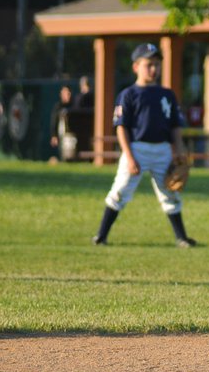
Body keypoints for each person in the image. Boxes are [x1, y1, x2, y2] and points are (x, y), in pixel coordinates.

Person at [91, 43, 197, 248]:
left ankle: (181, 237)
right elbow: (121, 128)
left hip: (163, 149)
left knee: (170, 192)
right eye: (149, 64)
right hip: (136, 148)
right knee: (121, 190)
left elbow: (175, 125)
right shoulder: (128, 94)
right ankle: (101, 235)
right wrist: (129, 157)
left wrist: (179, 149)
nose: (154, 69)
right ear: (136, 67)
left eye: (156, 64)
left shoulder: (167, 94)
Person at [49, 85, 74, 158]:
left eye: (68, 93)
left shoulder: (74, 105)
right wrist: (54, 135)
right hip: (62, 135)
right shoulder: (58, 107)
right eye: (65, 93)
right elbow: (54, 121)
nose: (67, 95)